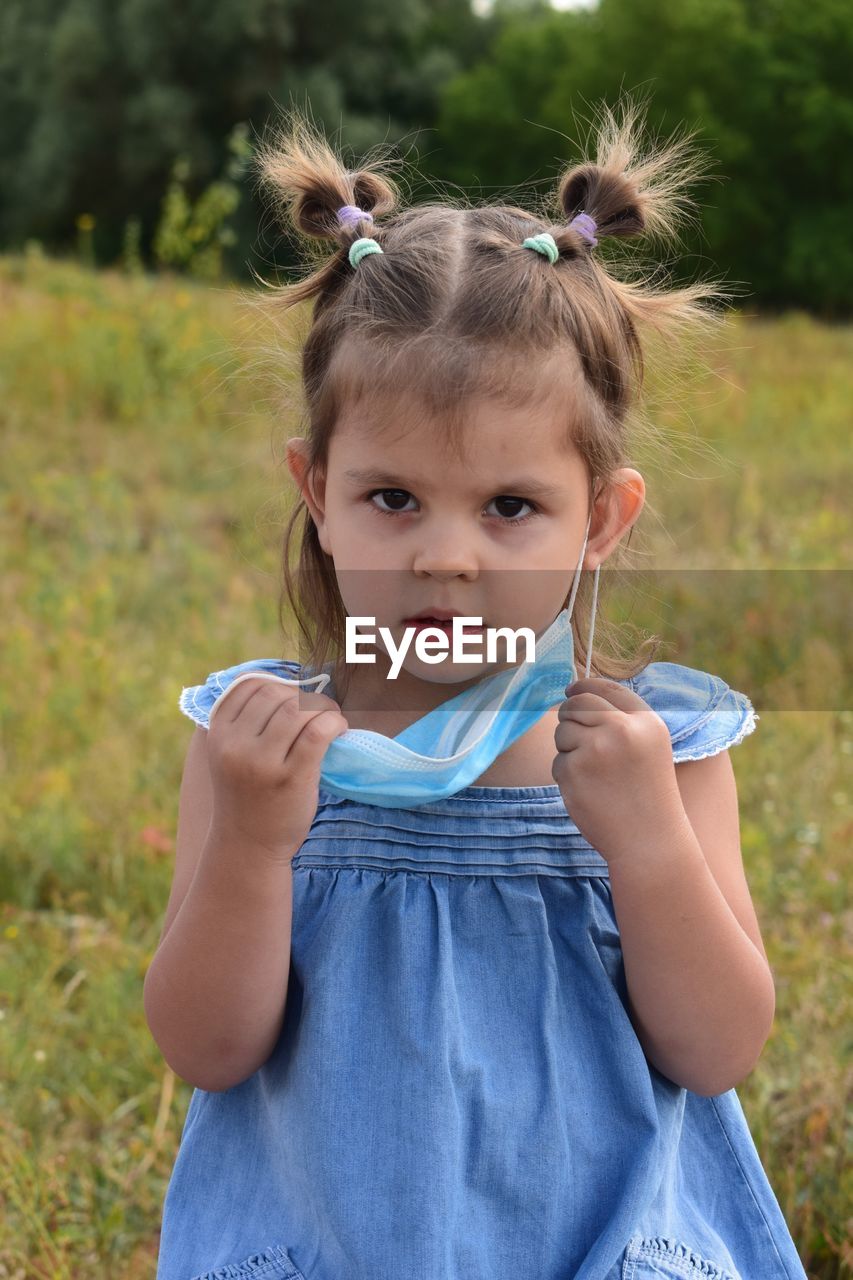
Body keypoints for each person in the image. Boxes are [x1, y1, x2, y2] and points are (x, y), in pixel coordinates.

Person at [145, 97, 808, 1280]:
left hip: (600, 1247)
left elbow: (716, 1051)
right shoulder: (257, 745)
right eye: (391, 496)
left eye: (510, 507)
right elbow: (207, 1048)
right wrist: (250, 847)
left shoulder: (664, 749)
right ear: (316, 488)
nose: (443, 555)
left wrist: (650, 844)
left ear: (600, 518)